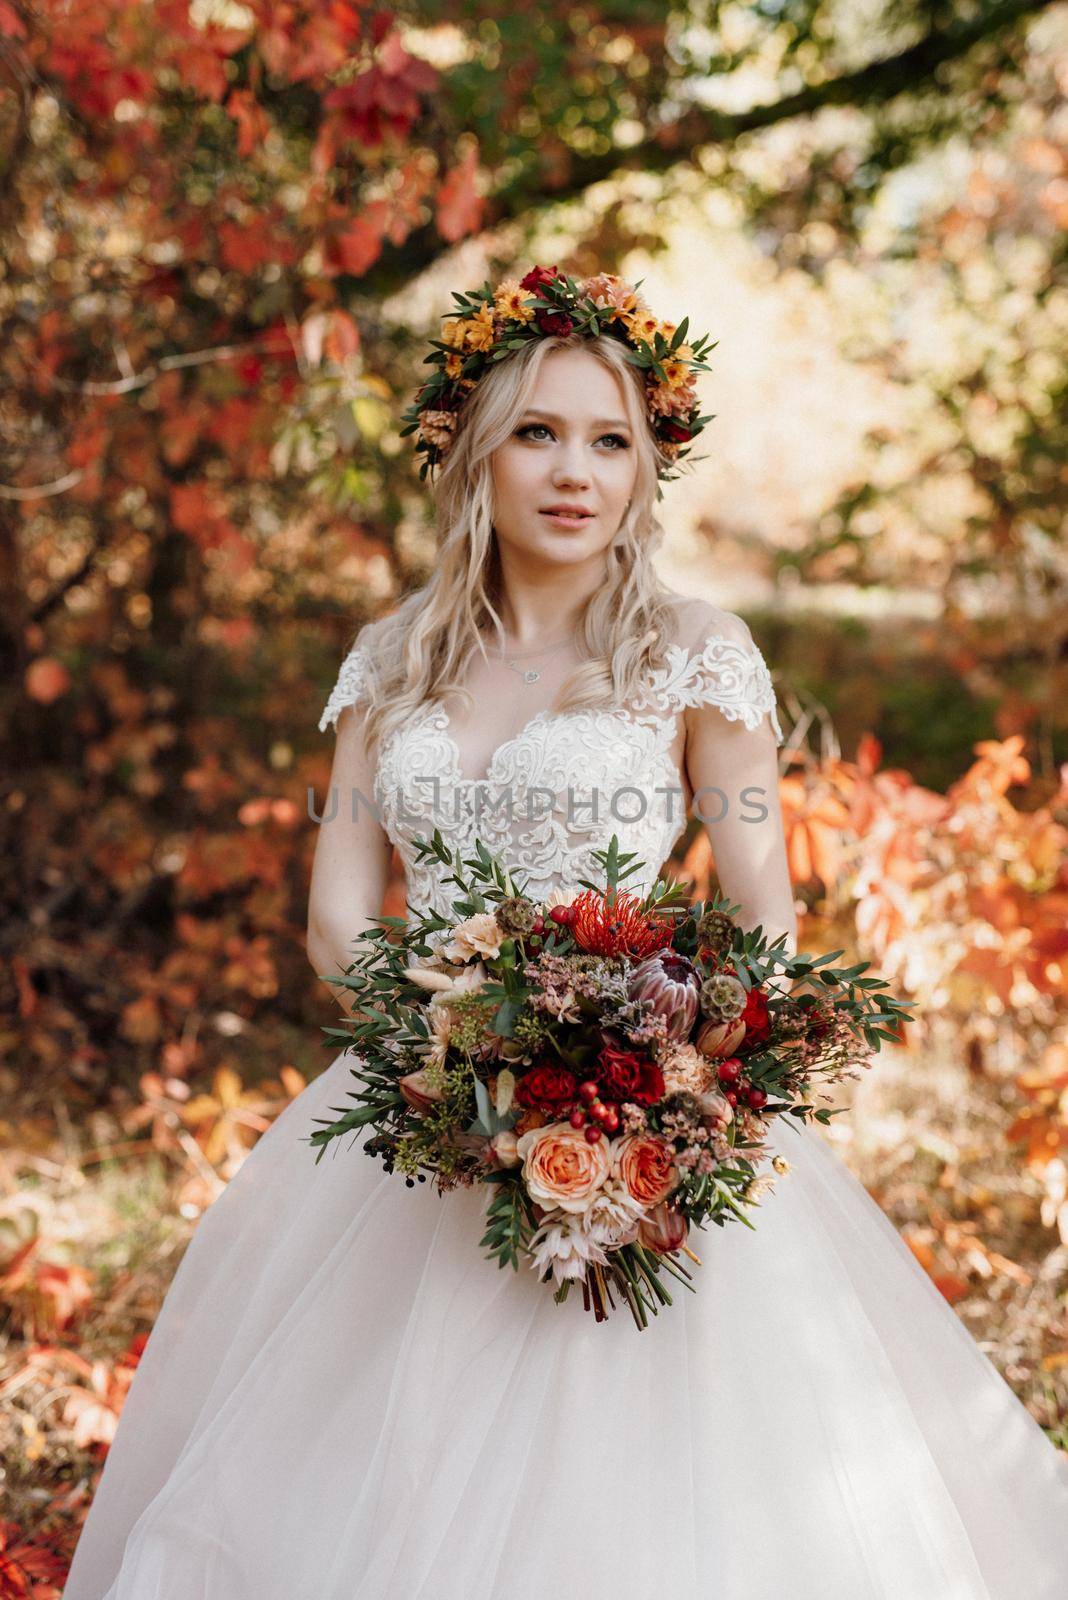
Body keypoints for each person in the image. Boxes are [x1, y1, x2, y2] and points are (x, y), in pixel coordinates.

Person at [62, 267, 1068, 1600]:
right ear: (471, 453)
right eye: (537, 432)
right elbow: (339, 914)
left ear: (649, 466)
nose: (574, 471)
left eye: (610, 439)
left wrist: (653, 1080)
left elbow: (762, 910)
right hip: (416, 1119)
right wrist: (445, 1061)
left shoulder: (696, 654)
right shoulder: (391, 661)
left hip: (637, 1113)